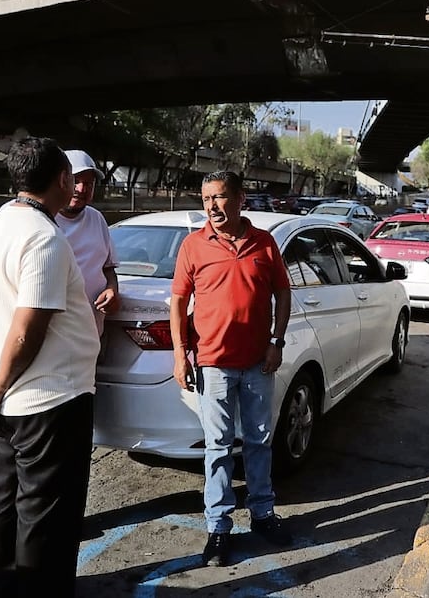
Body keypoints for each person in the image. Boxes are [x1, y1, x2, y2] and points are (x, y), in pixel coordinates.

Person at [0, 137, 99, 597]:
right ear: (62, 179)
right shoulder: (43, 237)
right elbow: (27, 327)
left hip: (11, 400)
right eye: (72, 179)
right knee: (48, 517)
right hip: (51, 401)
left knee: (6, 500)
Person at [169, 170, 293, 567]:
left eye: (220, 197)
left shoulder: (265, 243)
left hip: (258, 363)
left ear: (240, 198)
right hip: (213, 363)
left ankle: (262, 515)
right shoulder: (193, 245)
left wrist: (277, 342)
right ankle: (218, 529)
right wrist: (179, 354)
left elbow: (283, 292)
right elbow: (177, 303)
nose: (212, 207)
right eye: (206, 199)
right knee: (218, 448)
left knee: (259, 443)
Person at [59, 149, 119, 335]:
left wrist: (112, 290)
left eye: (89, 183)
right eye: (76, 181)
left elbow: (108, 268)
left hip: (90, 334)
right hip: (55, 335)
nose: (81, 189)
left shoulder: (97, 219)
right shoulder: (40, 218)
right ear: (61, 180)